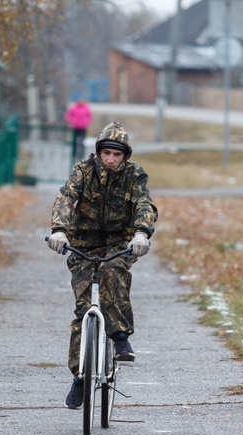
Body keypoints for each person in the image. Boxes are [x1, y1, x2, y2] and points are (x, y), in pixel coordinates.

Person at [48, 121, 158, 409]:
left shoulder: (134, 176)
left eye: (117, 154)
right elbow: (66, 198)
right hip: (82, 245)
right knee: (84, 309)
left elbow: (144, 205)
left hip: (120, 243)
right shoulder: (83, 172)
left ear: (125, 156)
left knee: (112, 273)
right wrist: (59, 229)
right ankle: (80, 377)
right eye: (106, 153)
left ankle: (120, 336)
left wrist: (141, 233)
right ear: (98, 152)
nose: (110, 159)